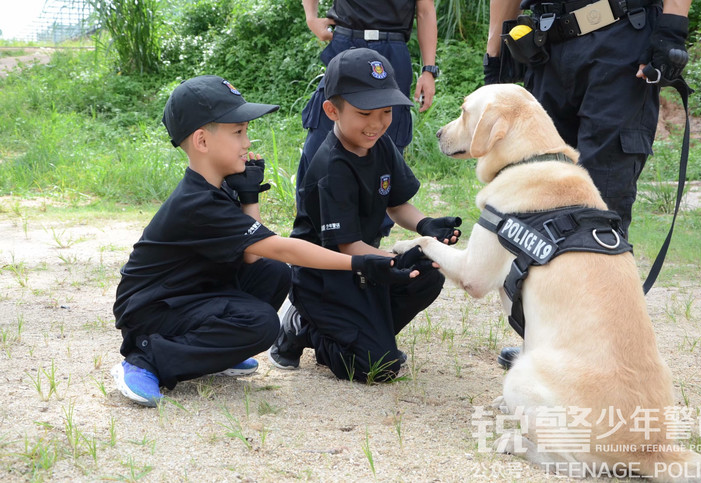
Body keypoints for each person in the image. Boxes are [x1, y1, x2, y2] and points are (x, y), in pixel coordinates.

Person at [111, 75, 419, 407]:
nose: (246, 142)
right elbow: (280, 246)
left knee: (272, 273)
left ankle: (212, 354)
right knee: (260, 323)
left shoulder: (220, 186)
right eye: (237, 132)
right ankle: (146, 359)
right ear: (201, 140)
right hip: (151, 311)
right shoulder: (197, 202)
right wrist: (360, 263)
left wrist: (248, 196)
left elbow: (253, 257)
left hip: (186, 296)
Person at [483, 0, 692, 369]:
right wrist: (496, 45)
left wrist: (672, 29)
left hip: (620, 37)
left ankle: (599, 352)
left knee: (601, 203)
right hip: (545, 44)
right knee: (539, 198)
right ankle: (546, 342)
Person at [268, 49, 462, 382]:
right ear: (332, 110)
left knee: (427, 274)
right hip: (326, 277)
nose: (376, 124)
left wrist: (425, 226)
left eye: (386, 111)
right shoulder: (332, 167)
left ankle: (361, 336)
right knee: (377, 368)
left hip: (364, 263)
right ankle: (303, 326)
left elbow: (396, 205)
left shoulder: (380, 144)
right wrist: (397, 259)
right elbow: (347, 247)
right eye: (364, 113)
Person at [298, 0, 439, 237]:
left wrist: (429, 69)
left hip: (392, 48)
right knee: (320, 142)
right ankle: (309, 238)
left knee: (383, 145)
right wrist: (311, 17)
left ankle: (370, 242)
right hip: (346, 43)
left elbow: (425, 11)